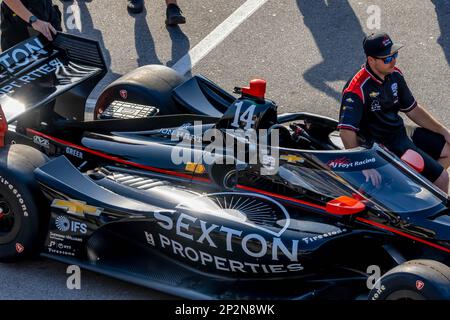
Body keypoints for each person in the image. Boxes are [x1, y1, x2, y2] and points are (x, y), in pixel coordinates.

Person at [338, 32, 450, 193]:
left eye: (395, 54)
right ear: (371, 60)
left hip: (399, 133)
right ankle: (429, 204)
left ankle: (419, 189)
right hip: (381, 145)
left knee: (448, 148)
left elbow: (413, 109)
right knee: (442, 178)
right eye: (387, 59)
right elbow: (346, 131)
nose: (393, 61)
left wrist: (444, 131)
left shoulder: (394, 74)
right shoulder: (356, 89)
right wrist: (363, 164)